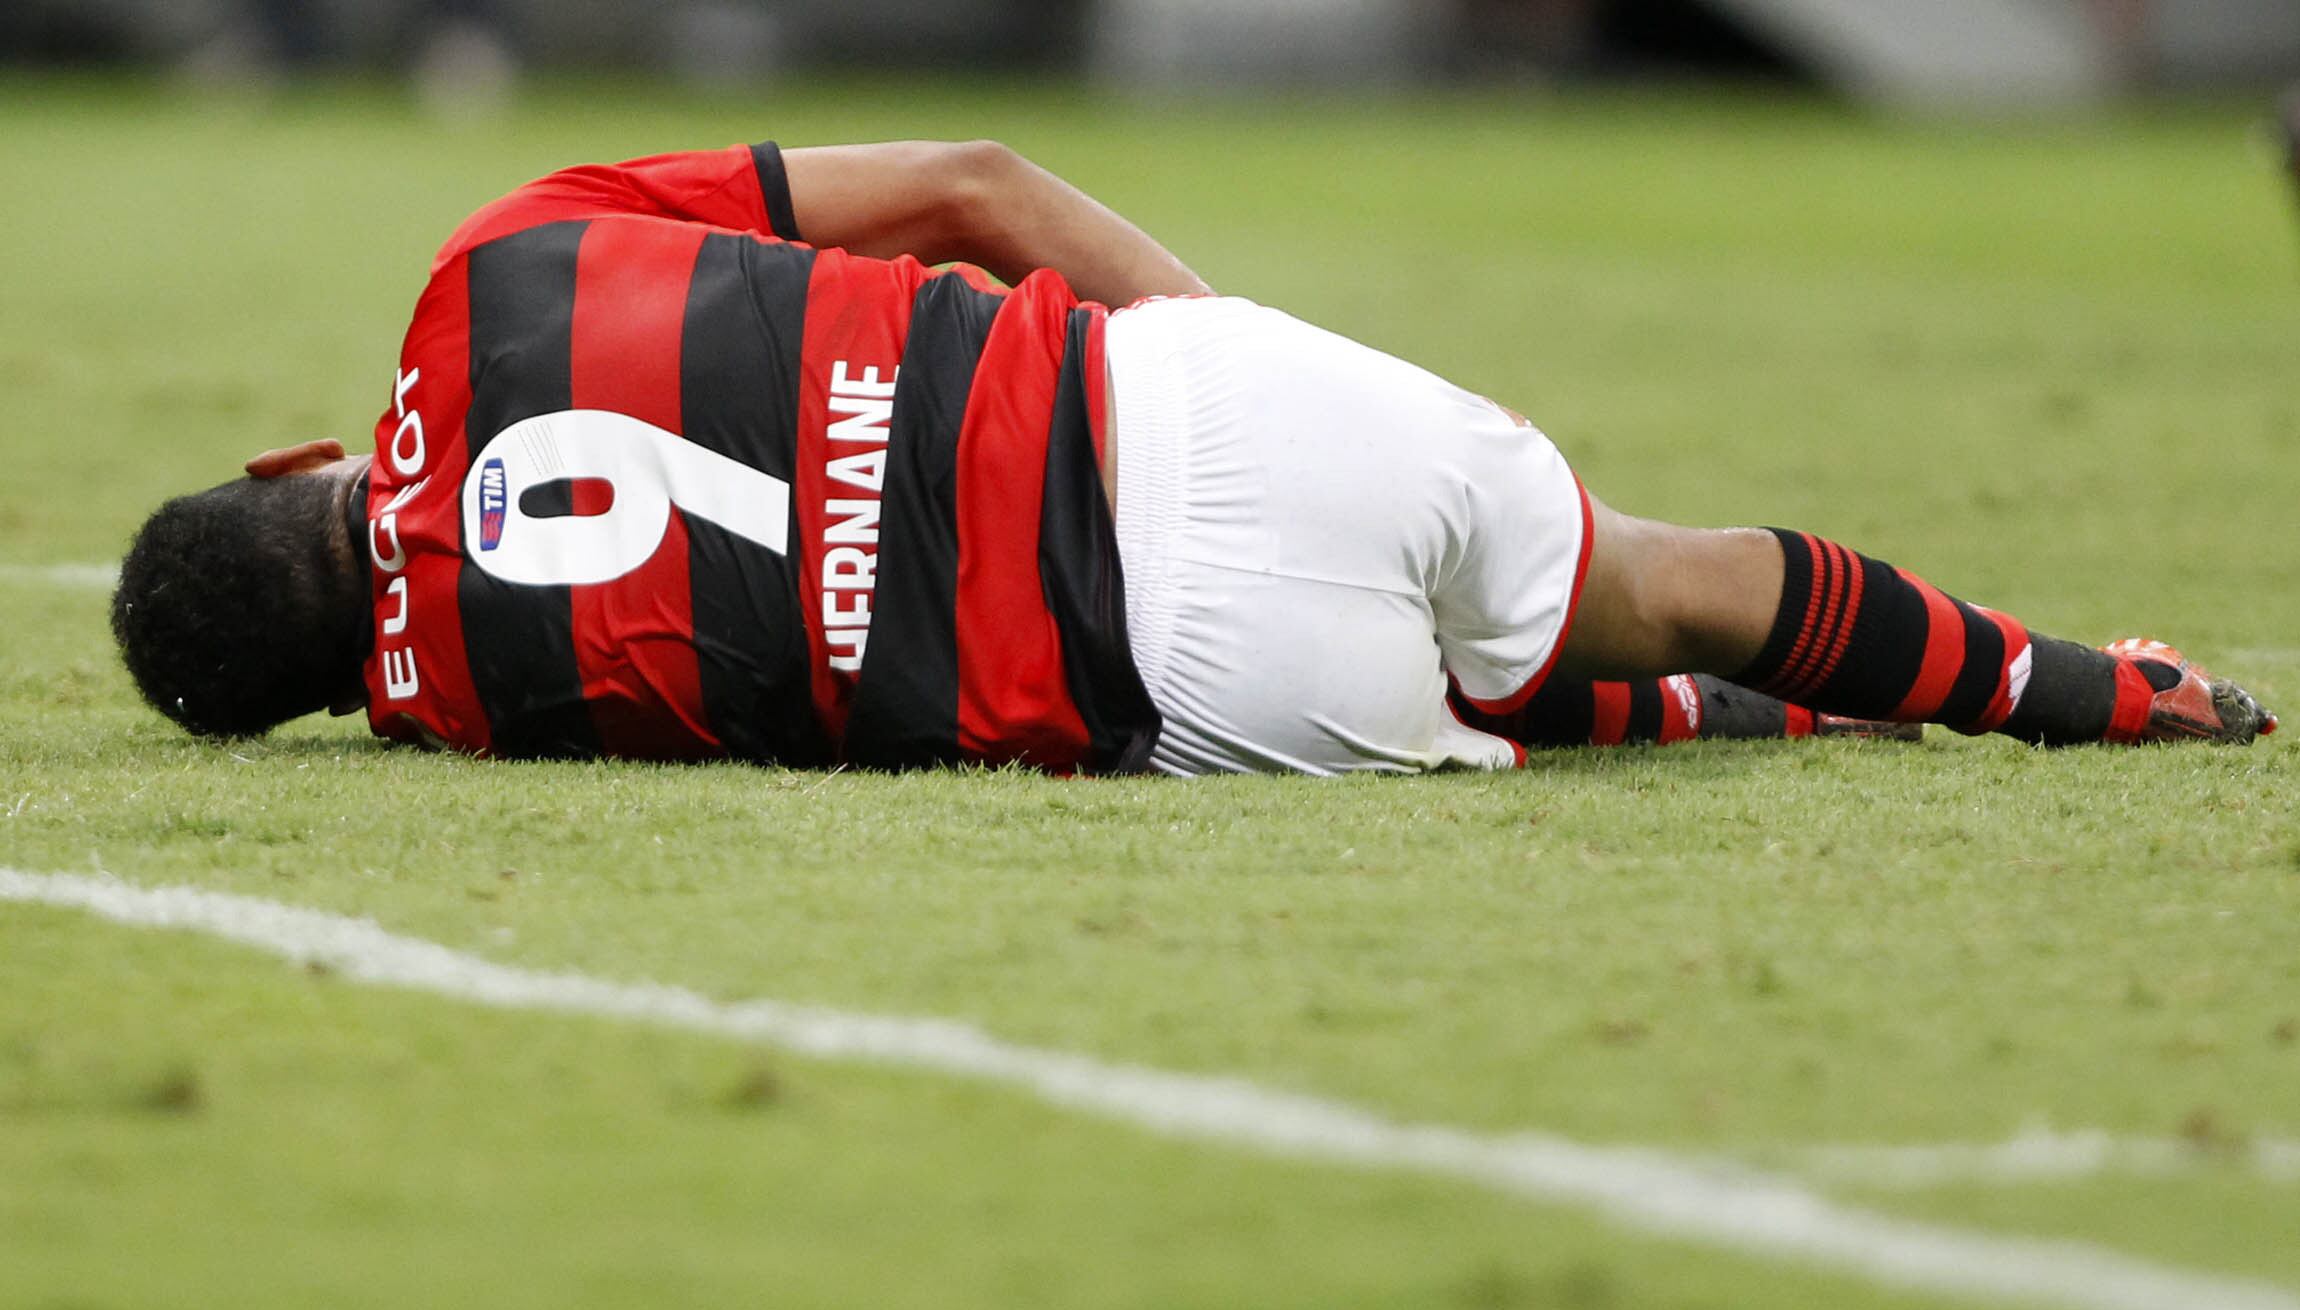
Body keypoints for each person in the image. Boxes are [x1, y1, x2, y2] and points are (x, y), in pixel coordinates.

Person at [111, 139, 2274, 776]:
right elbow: (971, 179)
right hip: (1178, 409)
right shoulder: (488, 268)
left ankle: (1691, 712)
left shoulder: (460, 714)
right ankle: (2077, 686)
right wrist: (1233, 353)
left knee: (1519, 713)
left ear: (333, 694)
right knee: (1663, 566)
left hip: (1173, 695)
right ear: (293, 447)